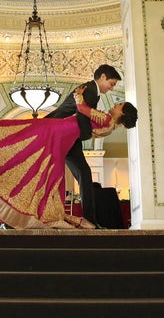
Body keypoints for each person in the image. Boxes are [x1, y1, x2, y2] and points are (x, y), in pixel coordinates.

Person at [0, 84, 137, 230]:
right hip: (64, 136)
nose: (115, 104)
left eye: (119, 105)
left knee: (24, 134)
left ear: (123, 112)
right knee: (48, 170)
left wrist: (78, 94)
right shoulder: (109, 126)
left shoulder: (106, 120)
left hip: (60, 131)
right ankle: (39, 209)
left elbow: (82, 109)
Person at [45, 64, 121, 226]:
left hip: (66, 136)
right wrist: (87, 134)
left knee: (82, 174)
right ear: (102, 77)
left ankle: (89, 219)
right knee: (83, 174)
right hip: (62, 134)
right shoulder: (90, 90)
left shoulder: (89, 90)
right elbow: (82, 115)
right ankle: (90, 220)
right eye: (112, 83)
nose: (112, 88)